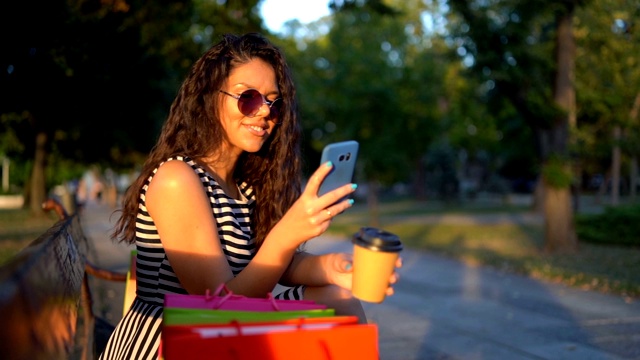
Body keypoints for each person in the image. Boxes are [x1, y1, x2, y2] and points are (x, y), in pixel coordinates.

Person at [99, 32, 401, 360]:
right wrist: (287, 235)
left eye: (274, 101)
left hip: (217, 330)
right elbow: (216, 302)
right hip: (168, 341)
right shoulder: (177, 179)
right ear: (209, 97)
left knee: (339, 297)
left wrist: (333, 267)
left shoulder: (244, 187)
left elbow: (270, 264)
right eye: (249, 98)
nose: (264, 112)